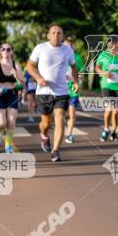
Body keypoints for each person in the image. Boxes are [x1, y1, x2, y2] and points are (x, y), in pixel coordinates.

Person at [26, 24, 78, 162]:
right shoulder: (40, 48)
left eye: (59, 33)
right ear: (48, 35)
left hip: (62, 91)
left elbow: (74, 67)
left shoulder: (68, 50)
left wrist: (76, 82)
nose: (56, 35)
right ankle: (44, 135)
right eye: (53, 33)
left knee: (60, 118)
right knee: (46, 123)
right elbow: (29, 66)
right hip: (43, 92)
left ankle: (55, 151)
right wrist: (38, 78)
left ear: (62, 36)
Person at [0, 42, 24, 154]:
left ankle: (8, 146)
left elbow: (22, 82)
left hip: (12, 94)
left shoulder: (16, 65)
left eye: (8, 49)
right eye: (3, 49)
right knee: (2, 123)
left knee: (11, 121)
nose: (6, 51)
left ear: (12, 51)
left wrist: (16, 76)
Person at [95, 35, 118, 141]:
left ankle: (114, 131)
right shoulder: (103, 55)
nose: (112, 45)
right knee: (109, 108)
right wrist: (104, 73)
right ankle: (106, 129)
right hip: (107, 85)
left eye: (114, 42)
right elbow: (97, 67)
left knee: (116, 111)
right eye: (110, 43)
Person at [65, 35, 85, 144]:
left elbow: (81, 73)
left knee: (72, 114)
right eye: (68, 44)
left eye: (72, 44)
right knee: (60, 114)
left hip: (73, 90)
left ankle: (69, 134)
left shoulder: (78, 58)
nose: (70, 45)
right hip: (60, 90)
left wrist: (76, 79)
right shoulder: (59, 56)